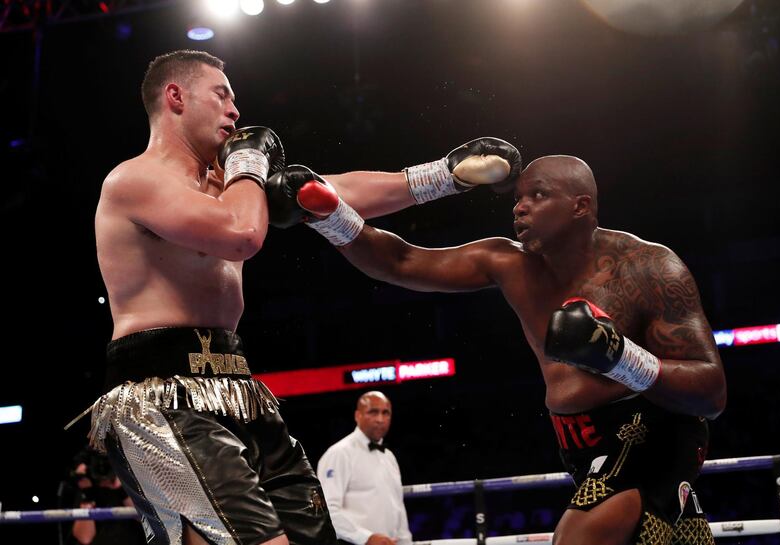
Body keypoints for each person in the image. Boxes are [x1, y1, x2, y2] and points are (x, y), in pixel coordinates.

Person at [88, 48, 521, 545]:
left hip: (238, 383)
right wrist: (249, 164)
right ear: (175, 96)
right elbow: (240, 235)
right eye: (222, 95)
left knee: (313, 534)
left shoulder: (230, 185)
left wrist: (442, 176)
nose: (235, 110)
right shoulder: (135, 180)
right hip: (161, 392)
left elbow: (331, 191)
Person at [267, 155, 727, 545]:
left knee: (582, 534)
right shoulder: (509, 262)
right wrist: (328, 215)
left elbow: (711, 391)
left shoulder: (649, 268)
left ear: (580, 206)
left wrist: (620, 356)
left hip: (652, 426)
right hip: (579, 440)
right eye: (518, 198)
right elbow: (401, 261)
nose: (520, 207)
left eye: (538, 196)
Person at [317, 392, 412, 545]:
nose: (380, 419)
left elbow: (398, 508)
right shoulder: (339, 454)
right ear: (358, 415)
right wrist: (365, 537)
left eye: (385, 413)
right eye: (373, 412)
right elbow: (327, 510)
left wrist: (405, 542)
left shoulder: (389, 457)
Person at [68, 448, 146, 545]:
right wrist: (87, 495)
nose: (103, 471)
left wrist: (122, 489)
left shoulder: (131, 484)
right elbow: (84, 538)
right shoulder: (88, 490)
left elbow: (145, 521)